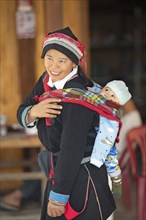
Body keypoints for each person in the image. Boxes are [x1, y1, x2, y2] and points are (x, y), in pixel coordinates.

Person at [16, 26, 123, 220]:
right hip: (60, 171)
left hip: (80, 176)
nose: (54, 66)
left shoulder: (78, 98)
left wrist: (58, 197)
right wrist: (33, 112)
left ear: (74, 62)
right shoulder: (47, 81)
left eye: (62, 60)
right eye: (49, 58)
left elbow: (71, 148)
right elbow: (23, 109)